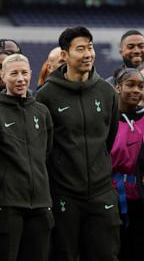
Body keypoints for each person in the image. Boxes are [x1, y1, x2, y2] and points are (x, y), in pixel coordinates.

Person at [35, 26, 120, 261]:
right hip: (64, 194)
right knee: (64, 254)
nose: (88, 54)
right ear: (64, 55)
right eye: (80, 49)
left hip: (102, 192)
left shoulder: (107, 92)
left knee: (105, 254)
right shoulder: (45, 96)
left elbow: (108, 137)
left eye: (90, 48)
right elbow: (45, 147)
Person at [0, 53, 54, 261]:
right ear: (3, 77)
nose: (20, 78)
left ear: (30, 74)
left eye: (24, 73)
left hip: (40, 203)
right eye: (14, 73)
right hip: (6, 204)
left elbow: (45, 152)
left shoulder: (42, 112)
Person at [111, 68, 144, 261]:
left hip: (139, 197)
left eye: (141, 86)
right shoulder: (107, 119)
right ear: (117, 87)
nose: (136, 90)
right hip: (113, 196)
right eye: (130, 85)